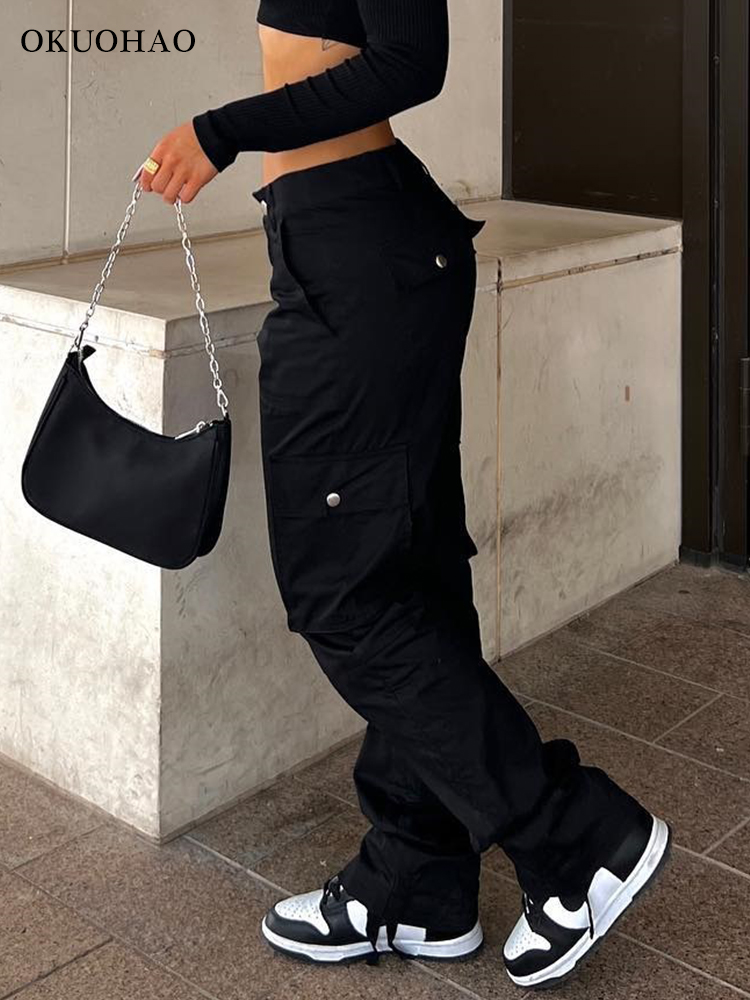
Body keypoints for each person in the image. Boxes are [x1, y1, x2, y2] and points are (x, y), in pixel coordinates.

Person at [136, 0, 671, 988]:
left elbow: (410, 61)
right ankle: (420, 877)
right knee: (402, 567)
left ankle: (577, 837)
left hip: (359, 258)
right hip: (342, 242)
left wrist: (220, 130)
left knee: (345, 591)